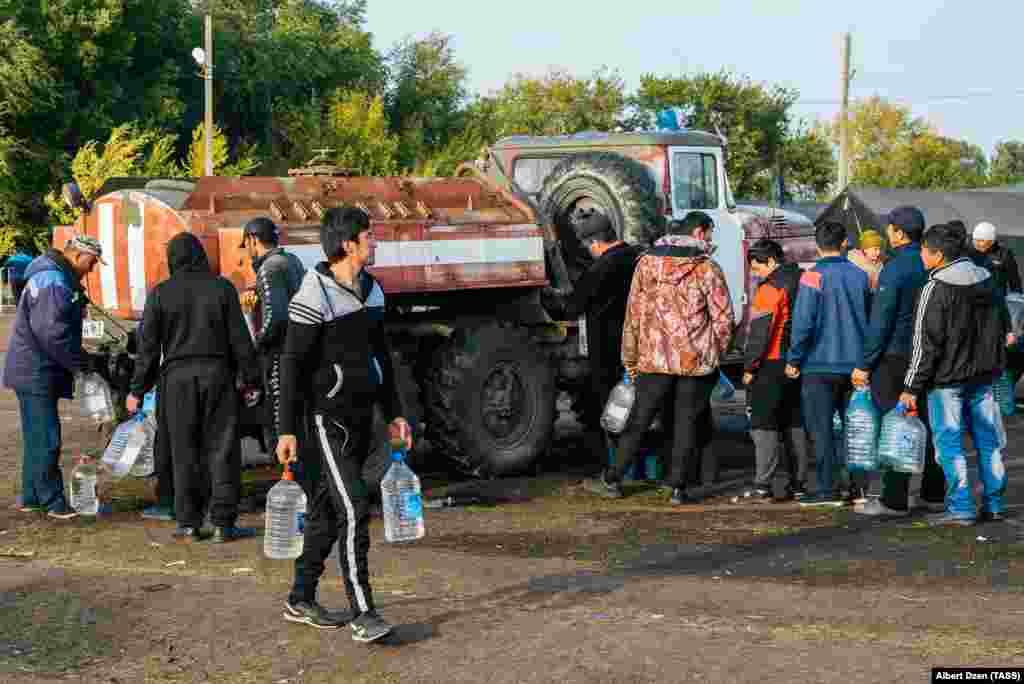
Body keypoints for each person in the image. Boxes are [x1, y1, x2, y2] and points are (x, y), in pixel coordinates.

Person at [276, 206, 408, 642]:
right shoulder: (313, 294)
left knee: (328, 514)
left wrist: (395, 413)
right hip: (324, 421)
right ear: (349, 244)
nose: (375, 241)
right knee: (354, 507)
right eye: (370, 235)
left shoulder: (373, 291)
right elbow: (292, 366)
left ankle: (300, 597)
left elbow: (382, 358)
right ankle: (364, 613)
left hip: (363, 418)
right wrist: (286, 429)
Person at [127, 233, 260, 543]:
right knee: (222, 450)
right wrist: (251, 380)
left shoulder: (160, 294)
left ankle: (188, 524)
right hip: (218, 376)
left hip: (176, 381)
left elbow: (148, 349)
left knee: (182, 451)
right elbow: (240, 339)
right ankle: (223, 524)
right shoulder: (222, 288)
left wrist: (137, 390)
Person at [594, 211, 734, 504]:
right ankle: (677, 488)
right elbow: (723, 319)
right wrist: (715, 352)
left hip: (653, 358)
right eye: (710, 233)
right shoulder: (707, 268)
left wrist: (630, 358)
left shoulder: (646, 265)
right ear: (699, 233)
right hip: (695, 361)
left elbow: (633, 314)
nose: (711, 239)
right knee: (686, 423)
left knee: (640, 419)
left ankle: (613, 478)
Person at [901, 223, 1012, 526]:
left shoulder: (934, 288)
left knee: (950, 445)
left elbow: (924, 344)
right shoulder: (988, 279)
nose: (921, 256)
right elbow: (1004, 326)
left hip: (947, 381)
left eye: (924, 251)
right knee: (989, 443)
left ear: (937, 255)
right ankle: (994, 504)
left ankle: (961, 507)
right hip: (985, 377)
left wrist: (911, 386)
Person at [851, 207, 946, 516]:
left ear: (900, 233)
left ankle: (894, 499)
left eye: (890, 228)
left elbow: (881, 320)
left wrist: (865, 363)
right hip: (931, 356)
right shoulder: (935, 263)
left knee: (897, 423)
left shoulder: (895, 269)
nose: (888, 233)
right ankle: (934, 494)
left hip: (896, 356)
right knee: (931, 425)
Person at [3, 236, 104, 519]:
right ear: (78, 255)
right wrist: (80, 363)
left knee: (36, 437)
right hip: (37, 371)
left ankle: (33, 497)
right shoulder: (53, 282)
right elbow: (53, 334)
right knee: (47, 438)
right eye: (92, 262)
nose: (92, 269)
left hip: (30, 368)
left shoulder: (49, 276)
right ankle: (52, 501)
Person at [540, 213, 642, 467]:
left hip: (607, 350)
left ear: (594, 243)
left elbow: (573, 307)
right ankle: (641, 463)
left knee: (612, 410)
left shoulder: (600, 268)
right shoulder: (637, 258)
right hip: (640, 347)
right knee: (638, 406)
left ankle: (617, 466)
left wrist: (550, 296)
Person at [786, 221, 871, 507]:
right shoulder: (861, 275)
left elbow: (803, 323)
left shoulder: (812, 276)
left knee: (821, 430)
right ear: (845, 242)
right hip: (856, 365)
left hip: (818, 365)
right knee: (855, 429)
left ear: (817, 245)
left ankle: (827, 489)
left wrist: (794, 358)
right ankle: (857, 488)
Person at [740, 239, 808, 501]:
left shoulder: (770, 288)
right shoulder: (805, 279)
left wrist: (750, 367)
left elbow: (760, 333)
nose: (756, 273)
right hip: (799, 362)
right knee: (795, 422)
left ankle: (762, 485)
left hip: (771, 362)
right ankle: (798, 484)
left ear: (770, 261)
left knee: (763, 422)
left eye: (757, 268)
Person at [240, 217, 306, 466]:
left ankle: (290, 473)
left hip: (280, 354)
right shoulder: (292, 261)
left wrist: (257, 342)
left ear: (253, 240)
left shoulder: (269, 268)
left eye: (246, 245)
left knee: (281, 419)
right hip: (300, 349)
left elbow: (276, 317)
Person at [969, 221, 1022, 296]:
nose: (980, 244)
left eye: (983, 241)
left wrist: (1017, 295)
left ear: (992, 241)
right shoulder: (969, 253)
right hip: (973, 297)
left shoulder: (1004, 254)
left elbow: (1014, 280)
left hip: (996, 297)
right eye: (977, 241)